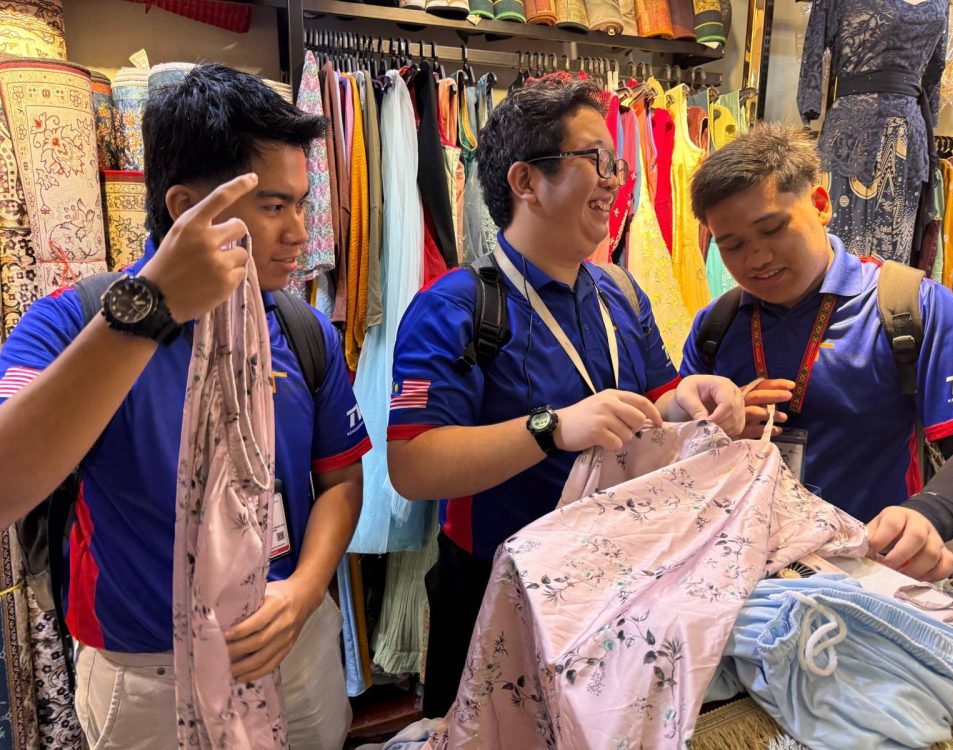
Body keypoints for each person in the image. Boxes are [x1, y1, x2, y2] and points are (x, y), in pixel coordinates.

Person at [0, 65, 369, 749]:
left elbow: (342, 481)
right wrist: (148, 311)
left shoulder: (301, 329)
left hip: (292, 648)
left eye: (302, 203)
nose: (300, 232)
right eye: (274, 206)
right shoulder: (75, 322)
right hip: (148, 673)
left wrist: (306, 590)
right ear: (185, 208)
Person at [385, 74, 746, 718]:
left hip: (618, 582)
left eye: (616, 164)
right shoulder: (455, 306)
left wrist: (694, 395)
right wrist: (551, 428)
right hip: (497, 592)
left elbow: (657, 398)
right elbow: (413, 465)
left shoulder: (620, 293)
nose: (615, 181)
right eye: (596, 161)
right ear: (526, 181)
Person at [681, 122, 953, 584]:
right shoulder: (716, 325)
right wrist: (717, 428)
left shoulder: (911, 306)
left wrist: (928, 515)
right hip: (740, 578)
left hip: (869, 573)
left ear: (820, 204)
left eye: (772, 229)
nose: (756, 259)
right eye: (731, 246)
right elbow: (682, 458)